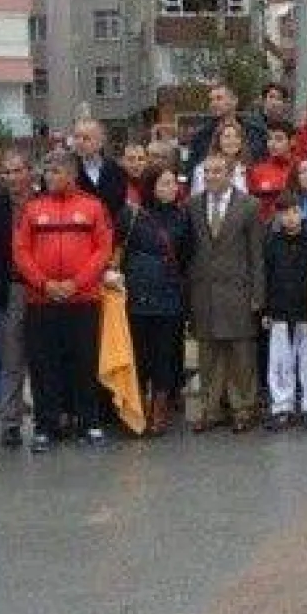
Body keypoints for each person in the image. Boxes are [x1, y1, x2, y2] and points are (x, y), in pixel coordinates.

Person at [14, 150, 114, 452]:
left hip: (83, 300)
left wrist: (76, 283)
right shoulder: (31, 209)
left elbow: (103, 250)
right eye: (47, 171)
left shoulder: (94, 206)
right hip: (40, 301)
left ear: (72, 174)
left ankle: (89, 422)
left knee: (84, 363)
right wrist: (45, 284)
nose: (49, 176)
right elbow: (20, 251)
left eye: (56, 171)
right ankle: (46, 426)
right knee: (43, 365)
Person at [187, 153, 267, 434]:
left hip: (238, 291)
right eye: (206, 172)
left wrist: (258, 294)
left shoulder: (249, 206)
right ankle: (210, 409)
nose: (210, 177)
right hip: (204, 292)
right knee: (208, 354)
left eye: (217, 171)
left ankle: (243, 408)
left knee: (241, 354)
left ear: (231, 174)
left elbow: (256, 255)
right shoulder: (193, 205)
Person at [117, 166, 194, 437]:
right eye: (164, 183)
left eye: (173, 183)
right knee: (139, 354)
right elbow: (120, 251)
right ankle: (136, 409)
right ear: (151, 186)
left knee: (164, 355)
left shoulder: (183, 217)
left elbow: (187, 256)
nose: (171, 188)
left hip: (169, 296)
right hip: (137, 296)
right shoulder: (132, 215)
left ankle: (159, 410)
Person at [0, 149, 35, 448]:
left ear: (29, 172)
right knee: (11, 358)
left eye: (18, 171)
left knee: (44, 357)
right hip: (11, 289)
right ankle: (11, 422)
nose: (13, 178)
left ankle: (50, 416)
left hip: (45, 289)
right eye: (7, 172)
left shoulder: (45, 202)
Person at [263, 193, 307, 431]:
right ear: (278, 216)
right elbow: (266, 276)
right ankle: (281, 407)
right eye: (285, 212)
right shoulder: (271, 242)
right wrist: (266, 309)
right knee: (280, 361)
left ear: (302, 213)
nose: (290, 217)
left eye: (294, 211)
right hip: (279, 308)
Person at [187, 82, 267, 166]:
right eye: (211, 100)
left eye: (219, 98)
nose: (214, 104)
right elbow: (192, 167)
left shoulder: (255, 132)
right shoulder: (201, 135)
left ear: (234, 101)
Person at [71, 118, 128, 222]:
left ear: (100, 142)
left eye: (86, 138)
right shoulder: (67, 169)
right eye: (76, 137)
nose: (80, 142)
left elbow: (120, 205)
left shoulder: (116, 170)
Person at [248, 120, 297, 223]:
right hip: (265, 230)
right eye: (269, 139)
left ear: (292, 141)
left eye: (279, 139)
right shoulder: (256, 171)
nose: (272, 144)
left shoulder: (301, 167)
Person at [190, 119, 252, 197]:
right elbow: (197, 200)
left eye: (237, 137)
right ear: (218, 140)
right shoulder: (202, 169)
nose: (232, 141)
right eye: (227, 137)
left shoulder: (245, 169)